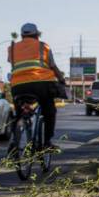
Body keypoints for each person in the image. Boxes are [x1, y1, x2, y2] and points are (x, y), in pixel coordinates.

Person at [8, 22, 65, 151]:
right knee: (49, 110)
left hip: (18, 86)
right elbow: (52, 66)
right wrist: (61, 79)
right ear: (37, 35)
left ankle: (14, 141)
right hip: (41, 84)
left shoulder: (12, 48)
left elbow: (13, 63)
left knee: (18, 114)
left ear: (22, 36)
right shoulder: (43, 47)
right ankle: (47, 142)